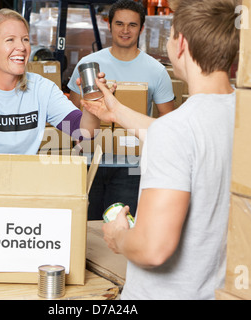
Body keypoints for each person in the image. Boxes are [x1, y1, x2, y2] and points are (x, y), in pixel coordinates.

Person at [81, 0, 240, 300]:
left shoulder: (177, 129)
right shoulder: (244, 114)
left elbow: (152, 248)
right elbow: (187, 138)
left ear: (180, 44)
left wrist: (118, 237)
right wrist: (115, 111)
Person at [67, 0, 175, 220]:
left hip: (131, 167)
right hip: (89, 161)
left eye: (132, 25)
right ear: (109, 25)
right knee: (83, 229)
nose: (125, 30)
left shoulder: (156, 71)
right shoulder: (89, 65)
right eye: (119, 23)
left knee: (122, 229)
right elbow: (73, 114)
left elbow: (168, 119)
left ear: (141, 28)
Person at [0, 8, 100, 154]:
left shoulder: (42, 89)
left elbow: (84, 132)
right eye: (10, 40)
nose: (21, 47)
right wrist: (10, 174)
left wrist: (91, 105)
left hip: (24, 176)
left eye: (25, 39)